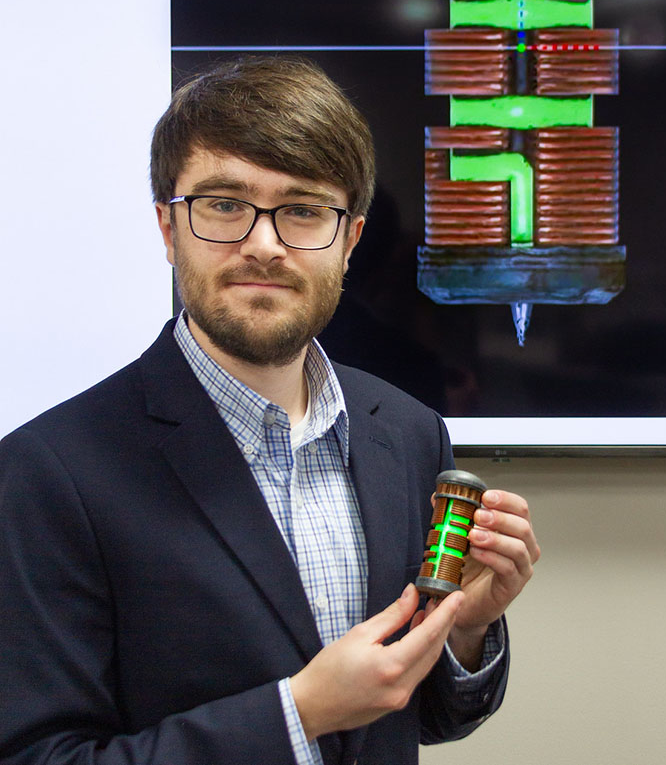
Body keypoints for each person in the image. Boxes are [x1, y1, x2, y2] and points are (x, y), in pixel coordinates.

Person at [0, 57, 540, 765]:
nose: (263, 243)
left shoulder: (409, 432)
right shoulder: (47, 471)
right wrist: (301, 711)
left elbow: (414, 717)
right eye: (224, 204)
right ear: (168, 228)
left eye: (303, 209)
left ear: (347, 241)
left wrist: (467, 631)